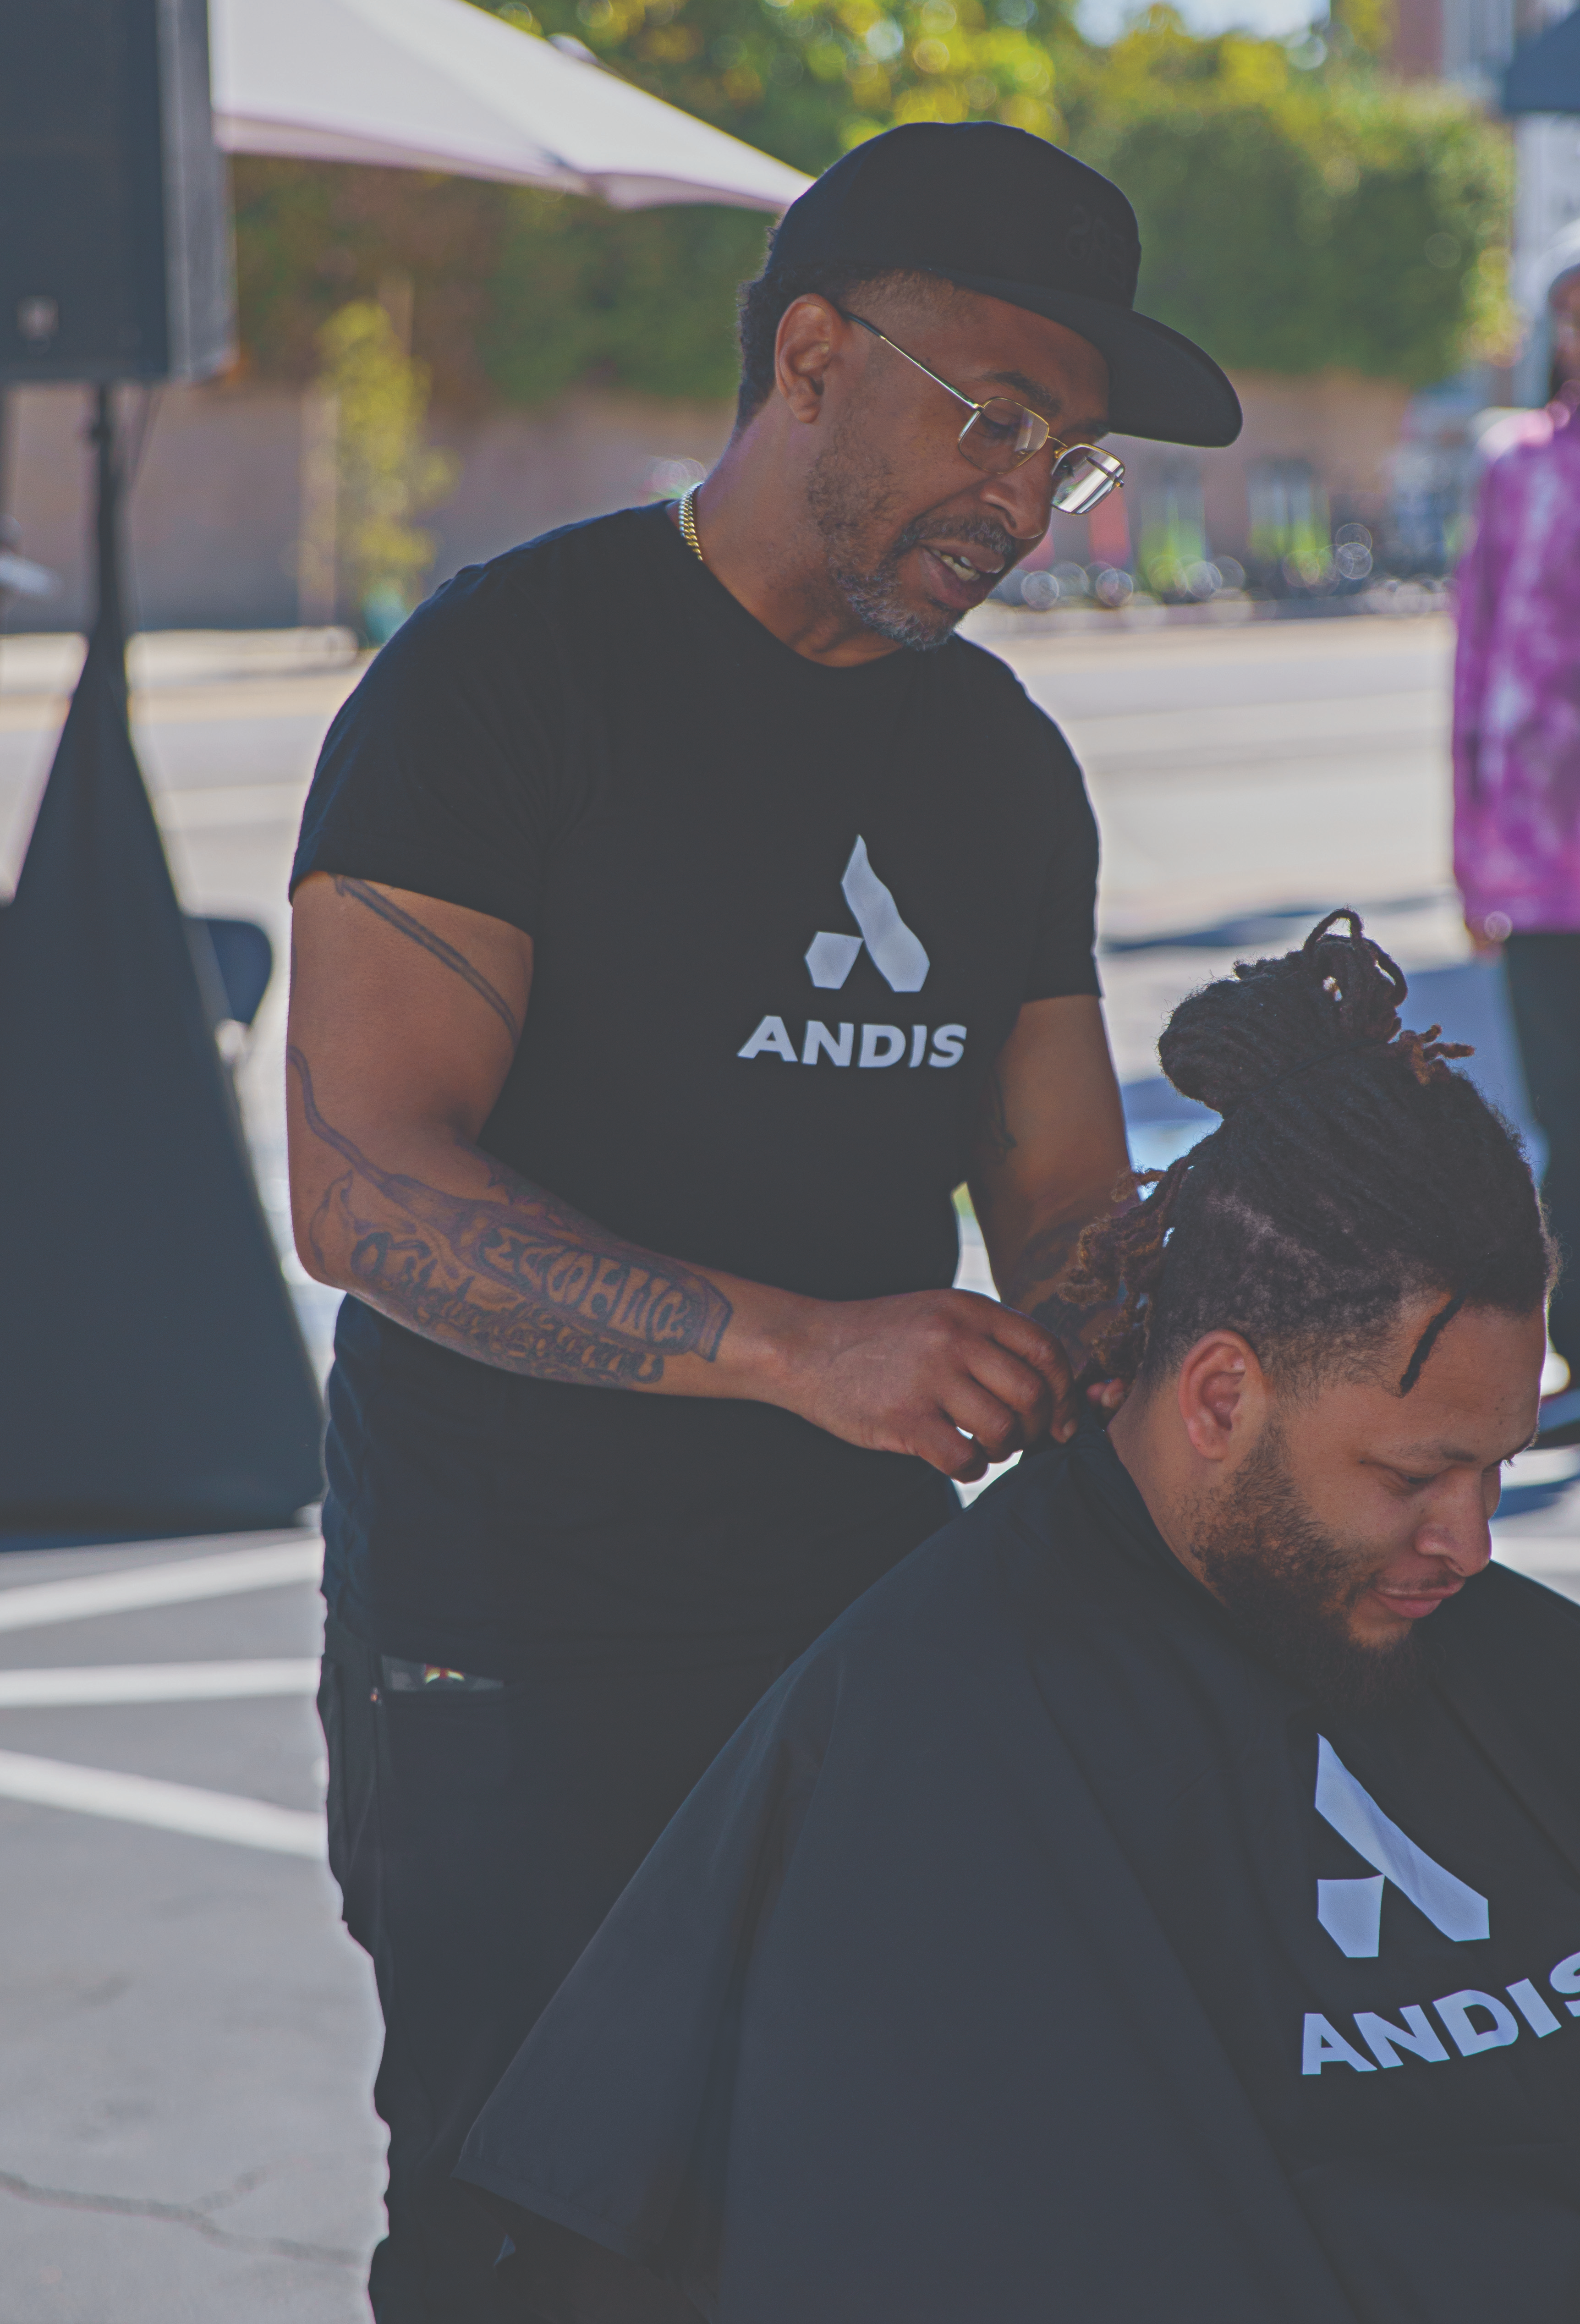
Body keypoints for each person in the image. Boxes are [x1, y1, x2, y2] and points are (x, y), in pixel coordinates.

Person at [286, 119, 1241, 2317]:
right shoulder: (508, 673)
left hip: (866, 1650)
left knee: (851, 2228)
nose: (1023, 501)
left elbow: (1069, 1216)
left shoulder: (996, 760)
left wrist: (1283, 1280)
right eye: (991, 417)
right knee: (538, 2251)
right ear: (812, 350)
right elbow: (367, 1189)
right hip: (512, 1651)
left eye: (1069, 456)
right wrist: (798, 1344)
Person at [457, 912, 1580, 2324]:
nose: (1472, 1545)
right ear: (1222, 1397)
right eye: (1416, 1475)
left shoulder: (1521, 1672)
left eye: (1499, 1470)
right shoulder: (941, 1732)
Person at [1453, 230, 1580, 1420]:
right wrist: (1468, 844)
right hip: (1542, 865)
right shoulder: (1516, 463)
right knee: (1562, 1117)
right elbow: (1476, 648)